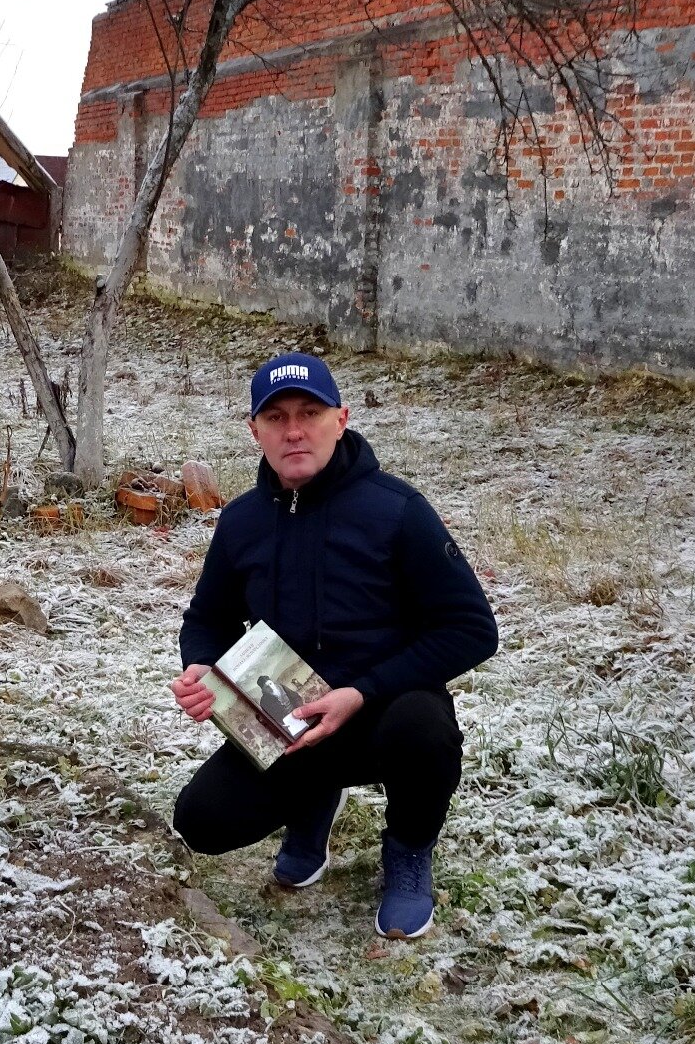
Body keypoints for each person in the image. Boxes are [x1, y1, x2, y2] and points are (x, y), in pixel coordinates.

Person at [169, 352, 497, 939]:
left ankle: (407, 851)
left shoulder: (397, 511)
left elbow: (471, 628)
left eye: (310, 412)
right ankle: (312, 802)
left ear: (340, 420)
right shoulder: (241, 521)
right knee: (200, 822)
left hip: (384, 712)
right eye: (275, 417)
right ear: (255, 431)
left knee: (424, 728)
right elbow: (208, 618)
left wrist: (363, 691)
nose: (293, 430)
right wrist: (202, 669)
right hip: (286, 721)